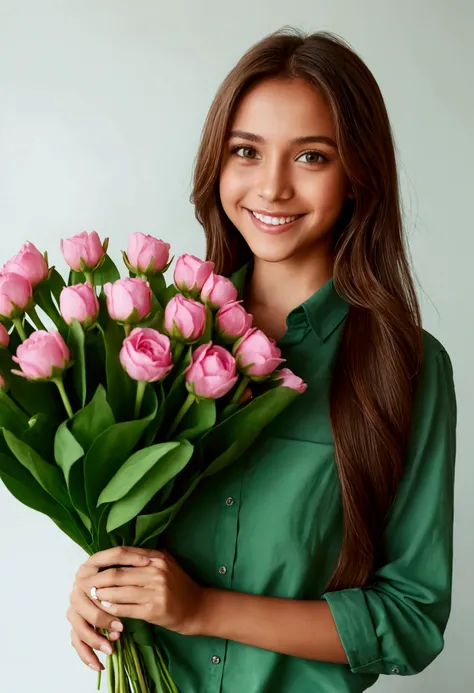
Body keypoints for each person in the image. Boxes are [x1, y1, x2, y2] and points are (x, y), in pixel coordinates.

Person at [66, 28, 457, 692]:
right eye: (246, 150)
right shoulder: (150, 342)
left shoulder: (409, 366)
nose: (272, 186)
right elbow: (127, 535)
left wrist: (203, 610)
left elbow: (411, 617)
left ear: (358, 173)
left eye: (311, 156)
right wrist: (98, 586)